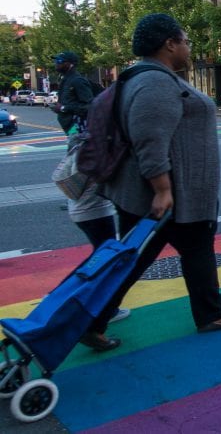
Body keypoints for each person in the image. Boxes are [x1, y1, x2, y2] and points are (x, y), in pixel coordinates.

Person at [80, 13, 221, 352]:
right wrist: (162, 190)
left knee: (134, 260)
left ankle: (92, 321)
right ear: (169, 44)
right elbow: (149, 138)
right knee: (194, 250)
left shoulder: (143, 77)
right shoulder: (155, 82)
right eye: (185, 40)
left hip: (164, 192)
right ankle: (212, 316)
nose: (188, 47)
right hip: (172, 194)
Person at [52, 51, 131, 324]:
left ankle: (77, 304)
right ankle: (80, 306)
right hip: (92, 209)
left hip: (85, 207)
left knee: (104, 256)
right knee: (104, 258)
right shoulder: (94, 144)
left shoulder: (83, 142)